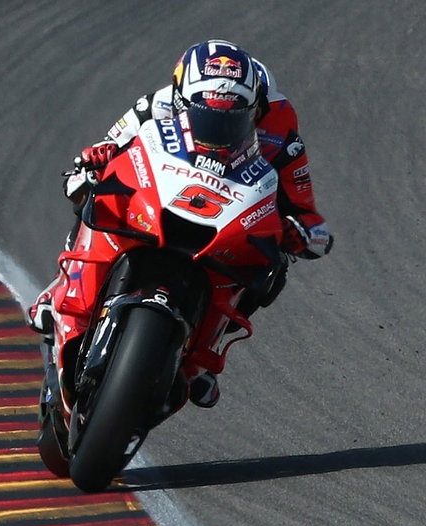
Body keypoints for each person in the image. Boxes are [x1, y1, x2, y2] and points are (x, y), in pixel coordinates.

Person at [27, 39, 332, 409]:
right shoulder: (156, 104)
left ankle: (205, 358)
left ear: (255, 108)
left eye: (232, 118)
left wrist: (304, 233)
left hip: (230, 211)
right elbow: (106, 146)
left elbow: (305, 209)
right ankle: (64, 284)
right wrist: (88, 165)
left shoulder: (282, 135)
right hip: (164, 193)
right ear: (182, 97)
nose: (218, 126)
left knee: (273, 266)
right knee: (97, 189)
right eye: (205, 114)